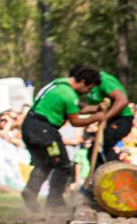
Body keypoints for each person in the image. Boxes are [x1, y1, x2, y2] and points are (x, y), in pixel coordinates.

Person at [20, 66, 103, 212]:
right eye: (88, 89)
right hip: (45, 132)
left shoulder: (59, 84)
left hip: (30, 126)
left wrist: (95, 108)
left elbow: (77, 107)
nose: (88, 92)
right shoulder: (68, 94)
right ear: (83, 82)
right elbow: (76, 121)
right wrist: (97, 117)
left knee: (45, 162)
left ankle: (30, 193)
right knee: (62, 164)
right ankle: (55, 203)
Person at [84, 69, 132, 163]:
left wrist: (105, 117)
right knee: (93, 153)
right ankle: (99, 175)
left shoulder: (104, 81)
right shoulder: (88, 88)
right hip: (108, 121)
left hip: (122, 119)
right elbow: (86, 108)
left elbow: (123, 101)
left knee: (104, 144)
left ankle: (115, 171)